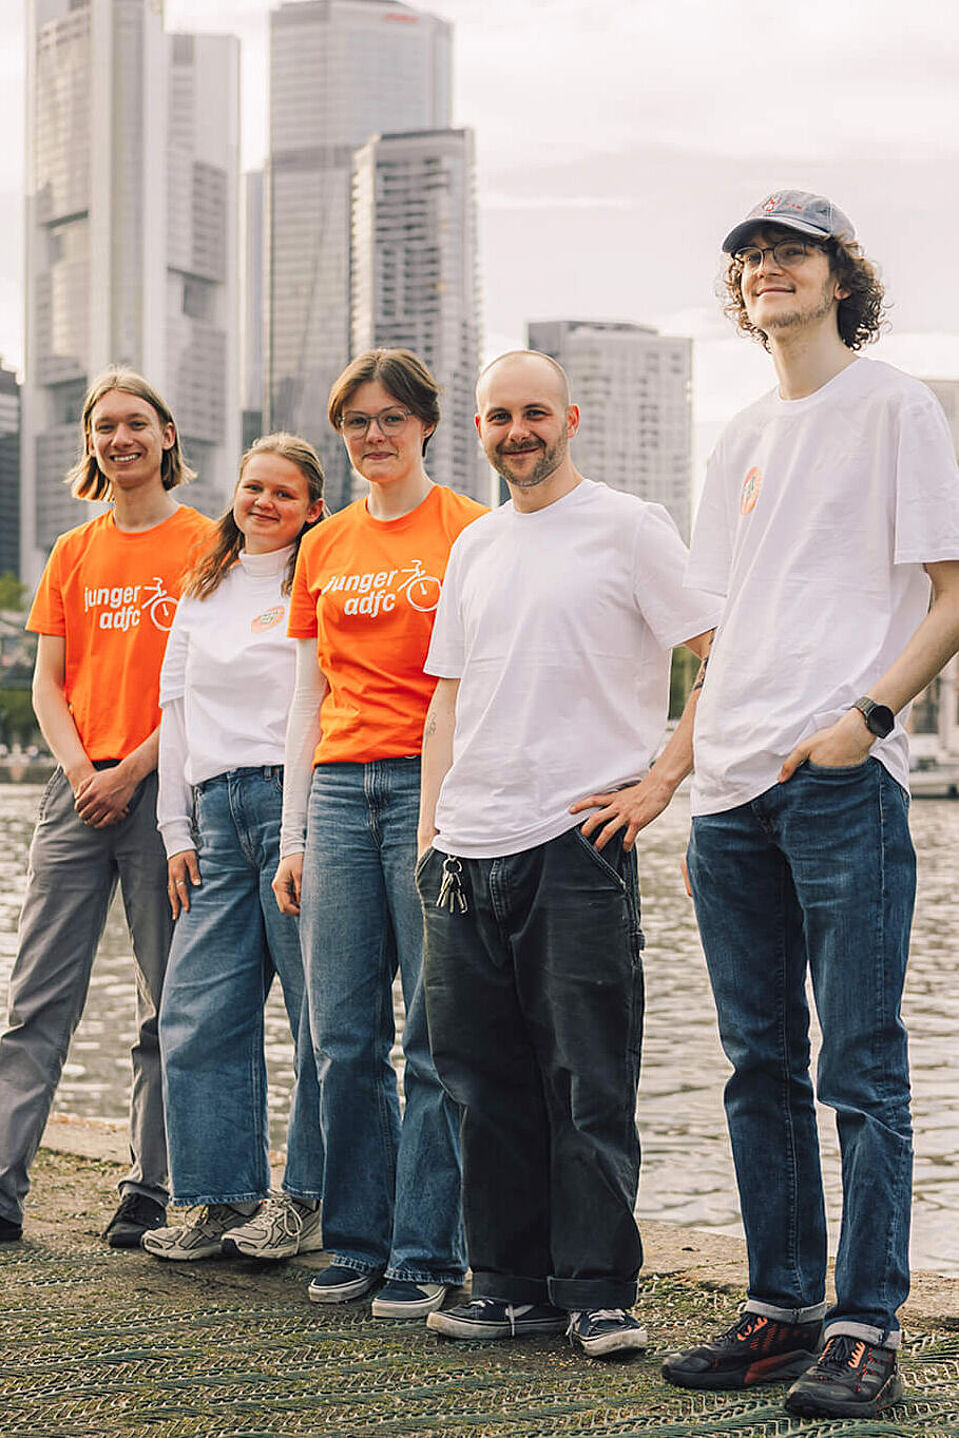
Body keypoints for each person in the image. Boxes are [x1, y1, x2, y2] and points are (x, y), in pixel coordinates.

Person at [661, 191, 959, 1419]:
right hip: (725, 794)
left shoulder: (894, 405)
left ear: (840, 276)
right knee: (754, 1062)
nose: (763, 269)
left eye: (787, 251)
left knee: (862, 1061)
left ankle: (862, 1325)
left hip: (837, 781)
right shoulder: (735, 435)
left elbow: (949, 591)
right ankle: (778, 1310)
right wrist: (674, 763)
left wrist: (866, 722)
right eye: (746, 258)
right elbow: (715, 629)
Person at [416, 350, 720, 1358]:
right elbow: (447, 694)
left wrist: (660, 779)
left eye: (534, 412)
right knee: (479, 1078)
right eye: (499, 416)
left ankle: (596, 1290)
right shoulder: (475, 544)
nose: (518, 431)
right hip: (467, 847)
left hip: (578, 839)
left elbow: (716, 653)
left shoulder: (630, 526)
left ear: (570, 418)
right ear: (480, 429)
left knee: (586, 1077)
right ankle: (507, 1283)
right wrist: (430, 830)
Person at [273, 348, 485, 1319]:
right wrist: (293, 834)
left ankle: (425, 1250)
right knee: (342, 1037)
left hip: (425, 789)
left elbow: (479, 687)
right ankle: (356, 1240)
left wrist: (460, 814)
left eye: (390, 417)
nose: (372, 436)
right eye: (356, 420)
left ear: (426, 425)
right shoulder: (324, 544)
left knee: (431, 1038)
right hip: (340, 791)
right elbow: (306, 695)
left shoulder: (471, 534)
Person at [0, 367, 213, 1247]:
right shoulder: (74, 551)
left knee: (168, 997)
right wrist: (83, 769)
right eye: (104, 427)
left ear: (167, 436)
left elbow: (207, 684)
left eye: (136, 423)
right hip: (74, 790)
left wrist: (130, 771)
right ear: (91, 444)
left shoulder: (208, 541)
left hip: (165, 787)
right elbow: (49, 683)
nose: (119, 438)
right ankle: (3, 1185)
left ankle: (148, 1188)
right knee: (35, 997)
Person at [141, 433, 326, 1263]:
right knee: (196, 1012)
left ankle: (309, 1198)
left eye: (284, 493)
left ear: (313, 508)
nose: (264, 503)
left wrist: (300, 829)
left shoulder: (314, 580)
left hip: (296, 808)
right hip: (215, 817)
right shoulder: (204, 589)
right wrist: (174, 829)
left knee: (320, 1016)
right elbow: (173, 711)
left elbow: (319, 703)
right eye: (254, 488)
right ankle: (220, 1198)